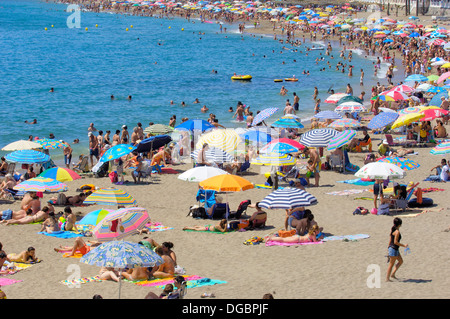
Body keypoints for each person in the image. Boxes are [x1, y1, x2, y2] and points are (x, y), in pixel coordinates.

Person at [386, 217, 408, 282]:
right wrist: (404, 245)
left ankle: (392, 274)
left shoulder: (393, 229)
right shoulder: (397, 232)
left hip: (393, 249)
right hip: (393, 249)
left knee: (400, 261)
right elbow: (395, 242)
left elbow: (390, 239)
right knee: (391, 264)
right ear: (399, 224)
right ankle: (387, 278)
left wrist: (388, 248)